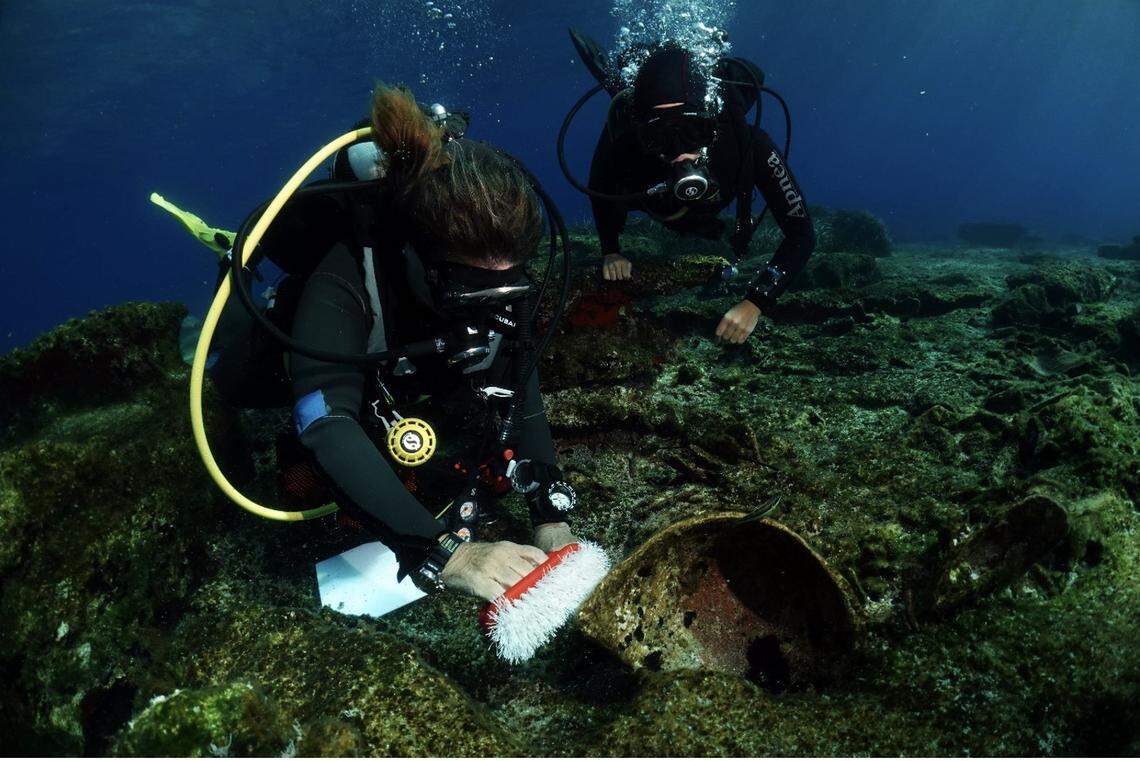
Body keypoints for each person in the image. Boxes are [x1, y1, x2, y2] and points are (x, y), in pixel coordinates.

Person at [286, 84, 577, 602]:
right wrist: (447, 552)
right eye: (469, 291)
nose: (494, 311)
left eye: (508, 289)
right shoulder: (348, 277)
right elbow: (325, 422)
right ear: (417, 254)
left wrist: (549, 512)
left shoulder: (503, 276)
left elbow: (520, 374)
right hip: (364, 380)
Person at [585, 45, 816, 344]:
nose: (680, 152)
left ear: (711, 120)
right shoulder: (627, 143)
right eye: (660, 137)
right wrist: (611, 250)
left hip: (706, 216)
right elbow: (600, 192)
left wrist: (756, 301)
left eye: (694, 130)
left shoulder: (747, 144)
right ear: (644, 132)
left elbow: (802, 233)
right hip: (660, 206)